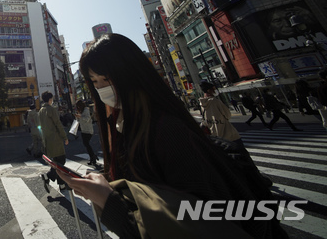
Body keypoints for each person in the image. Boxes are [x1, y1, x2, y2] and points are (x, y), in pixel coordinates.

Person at [56, 33, 287, 238]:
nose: (101, 88)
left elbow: (198, 222)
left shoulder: (167, 130)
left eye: (106, 79)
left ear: (130, 74)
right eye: (95, 81)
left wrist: (109, 201)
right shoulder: (122, 126)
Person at [39, 91, 69, 192]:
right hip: (55, 139)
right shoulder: (51, 109)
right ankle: (49, 176)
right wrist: (65, 137)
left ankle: (61, 184)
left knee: (56, 161)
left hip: (47, 140)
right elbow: (58, 124)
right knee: (61, 161)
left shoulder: (41, 111)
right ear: (50, 99)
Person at [75, 99, 98, 167]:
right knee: (86, 144)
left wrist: (80, 116)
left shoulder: (86, 110)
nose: (78, 108)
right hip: (83, 130)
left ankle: (93, 157)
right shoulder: (82, 111)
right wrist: (77, 117)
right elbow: (79, 120)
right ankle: (92, 157)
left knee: (86, 144)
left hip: (88, 130)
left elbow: (87, 118)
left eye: (78, 106)